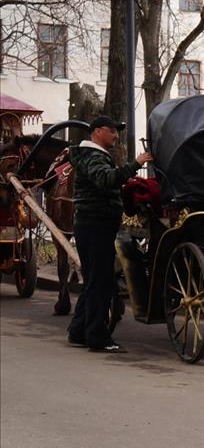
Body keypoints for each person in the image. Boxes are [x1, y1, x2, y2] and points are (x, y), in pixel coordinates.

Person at [67, 116, 151, 354]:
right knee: (101, 282)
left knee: (95, 280)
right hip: (95, 226)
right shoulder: (91, 156)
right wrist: (135, 164)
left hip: (95, 225)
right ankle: (97, 337)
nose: (116, 136)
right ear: (98, 132)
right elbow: (105, 179)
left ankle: (78, 330)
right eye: (112, 131)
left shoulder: (93, 156)